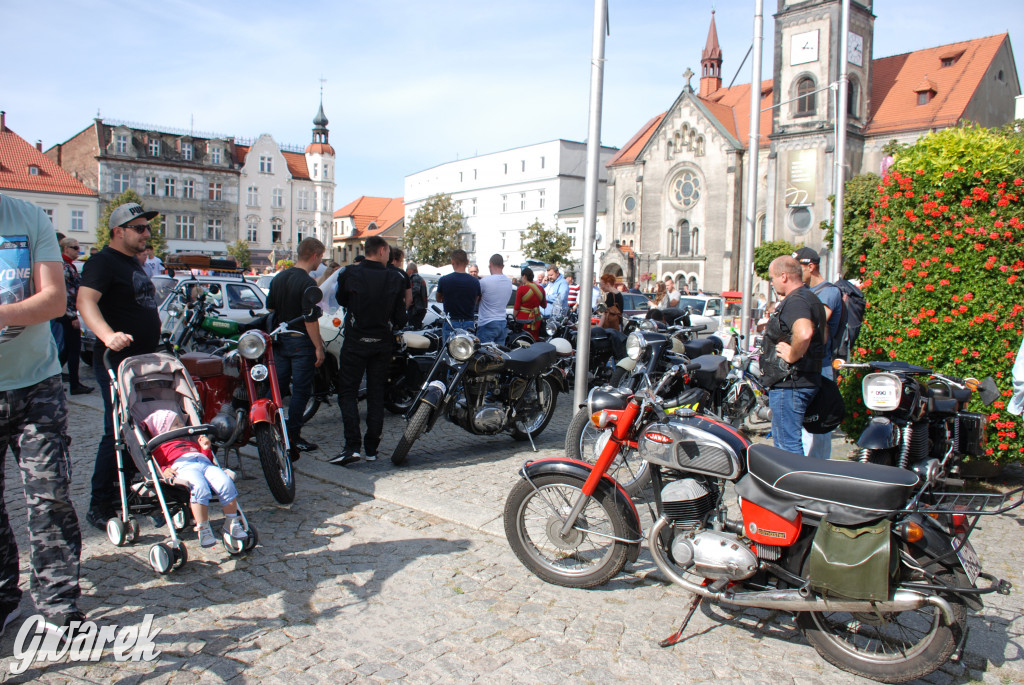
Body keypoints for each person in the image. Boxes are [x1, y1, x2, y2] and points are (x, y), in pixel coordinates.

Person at [0, 192, 85, 637]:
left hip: (37, 383)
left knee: (49, 493)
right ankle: (2, 594)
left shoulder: (26, 216)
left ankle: (57, 599)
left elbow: (54, 300)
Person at [78, 202, 162, 530]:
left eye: (147, 228)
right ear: (119, 231)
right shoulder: (103, 262)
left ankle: (126, 492)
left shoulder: (131, 263)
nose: (146, 234)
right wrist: (107, 335)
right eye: (139, 228)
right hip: (115, 362)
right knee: (115, 431)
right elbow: (85, 301)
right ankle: (99, 503)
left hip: (141, 360)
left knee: (137, 430)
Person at [331, 235, 407, 465]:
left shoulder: (349, 273)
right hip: (381, 342)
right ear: (382, 250)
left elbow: (341, 300)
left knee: (347, 392)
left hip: (356, 340)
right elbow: (400, 317)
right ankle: (372, 448)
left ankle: (352, 446)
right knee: (376, 393)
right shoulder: (396, 277)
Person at [143, 410, 246, 548]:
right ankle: (203, 528)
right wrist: (164, 470)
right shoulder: (160, 448)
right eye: (176, 424)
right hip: (183, 467)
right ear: (164, 430)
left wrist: (205, 449)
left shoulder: (188, 442)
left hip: (204, 464)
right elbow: (158, 464)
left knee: (226, 482)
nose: (182, 426)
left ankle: (232, 522)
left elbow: (208, 459)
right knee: (199, 487)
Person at [266, 237, 326, 457]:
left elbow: (270, 307)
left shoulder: (279, 277)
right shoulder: (307, 283)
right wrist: (318, 346)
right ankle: (293, 435)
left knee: (279, 389)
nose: (321, 262)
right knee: (301, 390)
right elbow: (310, 320)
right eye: (321, 257)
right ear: (314, 255)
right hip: (300, 341)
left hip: (280, 340)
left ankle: (274, 430)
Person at [762, 256, 826, 454]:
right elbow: (823, 336)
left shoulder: (796, 301)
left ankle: (791, 484)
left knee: (786, 446)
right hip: (802, 380)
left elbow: (805, 332)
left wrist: (793, 355)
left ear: (784, 276)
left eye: (772, 278)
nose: (772, 283)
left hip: (790, 382)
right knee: (789, 442)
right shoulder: (811, 298)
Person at [794, 247, 844, 460]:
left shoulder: (829, 292)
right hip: (808, 363)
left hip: (821, 365)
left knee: (819, 422)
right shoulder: (809, 292)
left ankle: (818, 467)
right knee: (806, 421)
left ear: (810, 267)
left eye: (799, 269)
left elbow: (814, 325)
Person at [57, 237, 91, 395]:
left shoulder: (67, 265)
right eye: (75, 248)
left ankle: (54, 379)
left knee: (66, 350)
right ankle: (75, 384)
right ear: (66, 249)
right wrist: (72, 317)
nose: (78, 251)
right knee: (73, 350)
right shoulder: (65, 267)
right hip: (68, 314)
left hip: (66, 313)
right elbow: (65, 295)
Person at [436, 249, 480, 340]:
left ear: (452, 262)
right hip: (468, 322)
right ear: (467, 262)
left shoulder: (444, 280)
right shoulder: (475, 282)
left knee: (448, 352)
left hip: (451, 322)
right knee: (468, 352)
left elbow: (438, 298)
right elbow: (477, 299)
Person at [477, 254, 513, 345]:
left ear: (490, 264)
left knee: (483, 356)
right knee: (499, 357)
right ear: (502, 266)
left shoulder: (484, 282)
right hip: (502, 323)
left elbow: (476, 300)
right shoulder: (509, 282)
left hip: (487, 323)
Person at [513, 267, 546, 341]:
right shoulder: (541, 289)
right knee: (534, 340)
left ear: (524, 276)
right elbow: (544, 305)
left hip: (523, 320)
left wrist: (513, 317)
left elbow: (517, 307)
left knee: (524, 341)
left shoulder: (521, 289)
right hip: (536, 319)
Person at [389, 246, 413, 310]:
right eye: (400, 261)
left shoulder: (380, 271)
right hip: (397, 313)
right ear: (394, 260)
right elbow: (409, 298)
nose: (400, 265)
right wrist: (402, 311)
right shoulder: (402, 274)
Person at [406, 262, 428, 328]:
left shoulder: (415, 278)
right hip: (419, 308)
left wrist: (408, 299)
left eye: (407, 269)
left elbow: (415, 290)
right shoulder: (419, 278)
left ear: (412, 270)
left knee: (413, 328)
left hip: (416, 309)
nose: (406, 271)